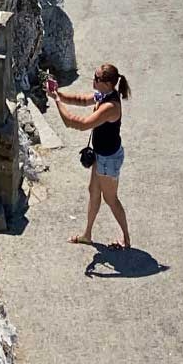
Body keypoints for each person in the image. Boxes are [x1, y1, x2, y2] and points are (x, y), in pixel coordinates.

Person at [45, 62, 133, 247]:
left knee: (110, 199)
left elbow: (79, 123)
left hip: (108, 159)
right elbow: (81, 100)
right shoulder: (104, 95)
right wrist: (57, 93)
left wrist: (58, 103)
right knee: (93, 192)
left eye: (97, 78)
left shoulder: (110, 106)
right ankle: (87, 234)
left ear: (108, 84)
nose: (93, 80)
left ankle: (126, 239)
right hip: (101, 155)